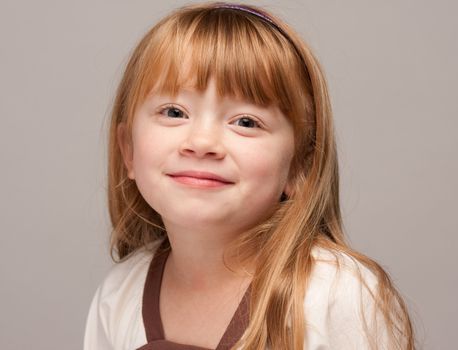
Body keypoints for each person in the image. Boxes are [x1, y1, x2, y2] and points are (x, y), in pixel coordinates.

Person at [84, 2, 415, 349]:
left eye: (245, 122)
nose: (201, 143)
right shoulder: (119, 295)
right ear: (128, 150)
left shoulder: (335, 296)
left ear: (301, 166)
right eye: (174, 112)